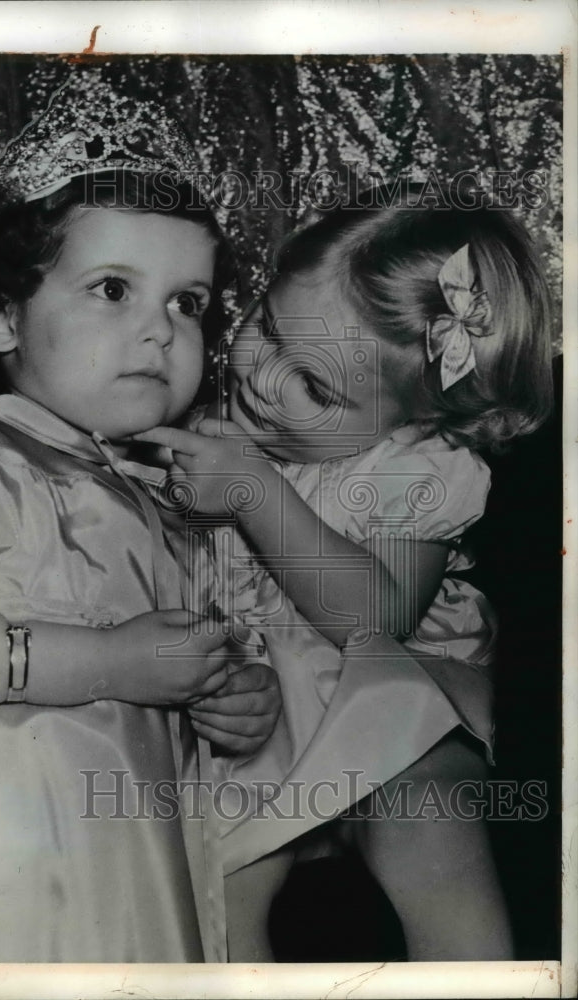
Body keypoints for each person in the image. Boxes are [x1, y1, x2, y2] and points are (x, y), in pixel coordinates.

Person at [0, 83, 282, 963]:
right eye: (113, 288)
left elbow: (211, 666)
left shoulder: (183, 506)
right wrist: (111, 660)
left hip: (128, 867)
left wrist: (236, 700)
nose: (159, 331)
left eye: (186, 303)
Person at [138, 200, 553, 960]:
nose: (260, 376)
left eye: (315, 388)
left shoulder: (416, 467)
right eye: (264, 326)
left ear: (415, 417)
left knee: (428, 825)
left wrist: (258, 494)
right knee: (221, 877)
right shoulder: (212, 421)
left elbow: (377, 620)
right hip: (259, 698)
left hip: (395, 692)